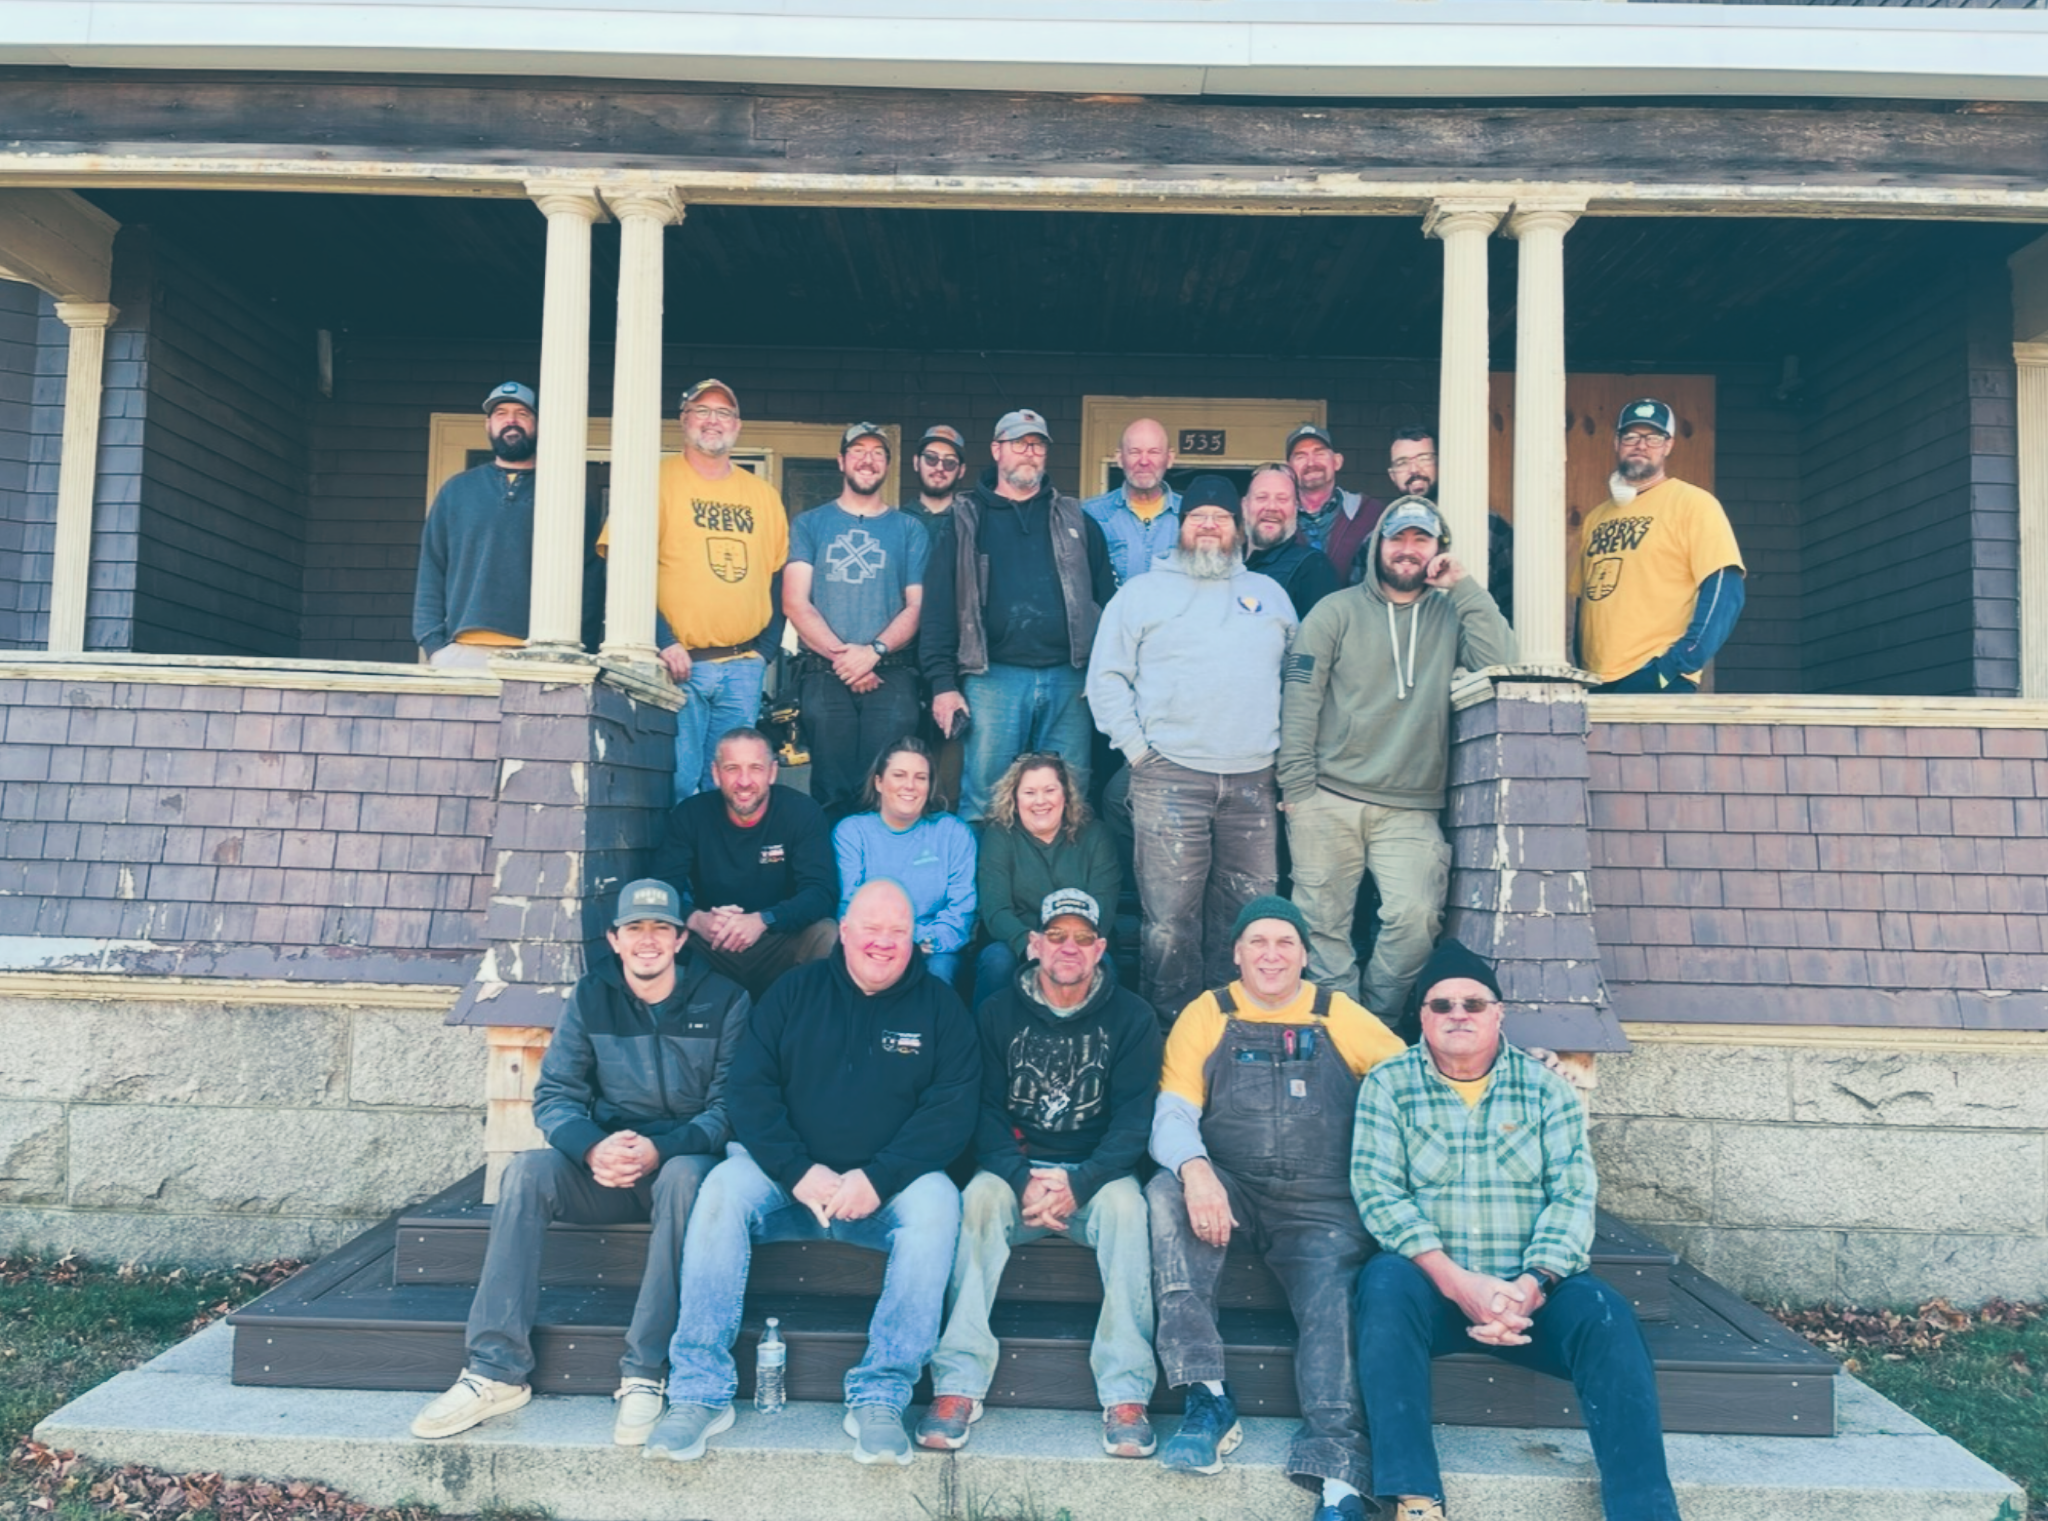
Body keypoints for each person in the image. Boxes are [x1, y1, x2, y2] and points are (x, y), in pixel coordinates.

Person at [647, 880, 977, 1468]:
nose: (883, 943)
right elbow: (749, 1091)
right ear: (844, 931)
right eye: (871, 929)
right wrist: (797, 1170)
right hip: (787, 1180)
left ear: (913, 939)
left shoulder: (942, 1009)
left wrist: (878, 1178)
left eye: (897, 932)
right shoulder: (792, 993)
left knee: (939, 1204)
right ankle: (699, 1390)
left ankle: (881, 1393)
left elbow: (951, 1113)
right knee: (721, 1191)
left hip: (886, 1187)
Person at [409, 879, 749, 1446]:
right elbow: (556, 1095)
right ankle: (495, 1370)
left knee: (687, 1177)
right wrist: (593, 1148)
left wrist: (661, 1149)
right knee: (526, 1172)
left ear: (680, 939)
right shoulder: (592, 996)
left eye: (660, 928)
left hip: (678, 1167)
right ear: (614, 939)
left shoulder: (726, 1000)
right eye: (635, 929)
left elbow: (730, 1109)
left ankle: (646, 1370)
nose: (647, 940)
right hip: (605, 1169)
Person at [1352, 939, 1680, 1521]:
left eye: (1473, 1004)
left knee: (1607, 1316)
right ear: (1423, 1017)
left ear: (1498, 1013)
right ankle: (1416, 1500)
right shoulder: (1388, 1085)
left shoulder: (1546, 1088)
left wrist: (1531, 1286)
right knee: (1383, 1284)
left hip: (1532, 1297)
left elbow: (1573, 1195)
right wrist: (1460, 1285)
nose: (1458, 1014)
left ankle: (1644, 1512)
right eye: (1442, 1004)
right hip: (1436, 1292)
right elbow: (1379, 1193)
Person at [1147, 897, 1405, 1521]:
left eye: (1285, 942)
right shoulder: (1208, 1013)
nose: (1271, 954)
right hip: (1230, 1188)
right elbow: (1172, 1113)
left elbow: (1415, 1079)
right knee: (1164, 1194)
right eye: (1257, 942)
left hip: (1320, 1206)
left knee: (1333, 1300)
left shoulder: (1338, 1015)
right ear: (1236, 953)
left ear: (1305, 955)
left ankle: (1338, 1469)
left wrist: (1511, 1060)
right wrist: (1196, 1171)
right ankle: (1206, 1395)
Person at [918, 888, 1165, 1457]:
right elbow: (981, 1111)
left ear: (1100, 948)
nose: (1068, 947)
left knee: (1131, 1210)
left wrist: (1080, 1183)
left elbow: (1134, 1122)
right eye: (1056, 936)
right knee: (977, 1201)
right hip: (1017, 1176)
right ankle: (957, 1383)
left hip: (1097, 1177)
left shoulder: (1132, 1017)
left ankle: (1126, 1392)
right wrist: (1019, 1177)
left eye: (1082, 938)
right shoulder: (995, 1013)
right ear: (1034, 944)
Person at [1279, 496, 1517, 1018]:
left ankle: (1380, 1025)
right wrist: (1297, 790)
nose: (1407, 549)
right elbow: (1299, 698)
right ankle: (1341, 1028)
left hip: (1411, 804)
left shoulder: (1451, 612)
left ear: (1437, 549)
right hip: (1328, 796)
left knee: (1415, 919)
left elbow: (1502, 663)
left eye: (1420, 540)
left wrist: (1464, 587)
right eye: (1398, 538)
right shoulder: (1335, 611)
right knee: (1321, 925)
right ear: (1377, 547)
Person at [1087, 475, 1296, 1021]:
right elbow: (1105, 677)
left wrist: (1286, 760)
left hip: (1253, 779)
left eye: (1220, 518)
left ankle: (1238, 1027)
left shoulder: (1270, 596)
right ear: (1180, 528)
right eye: (1197, 516)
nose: (1208, 525)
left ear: (1238, 528)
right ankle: (1172, 1030)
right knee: (1169, 920)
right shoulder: (1141, 594)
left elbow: (1297, 682)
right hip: (1170, 776)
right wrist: (1138, 752)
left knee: (1248, 917)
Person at [922, 408, 1118, 824]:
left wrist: (1102, 674)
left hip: (1069, 679)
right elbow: (938, 608)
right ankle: (988, 869)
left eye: (1037, 444)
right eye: (1019, 443)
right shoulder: (965, 519)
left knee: (1070, 796)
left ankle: (1062, 870)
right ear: (997, 450)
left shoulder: (1076, 520)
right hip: (993, 678)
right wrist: (943, 684)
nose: (1029, 452)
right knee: (985, 797)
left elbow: (1108, 605)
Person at [598, 378, 789, 803]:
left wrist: (765, 651)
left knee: (732, 788)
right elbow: (622, 569)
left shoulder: (763, 495)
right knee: (680, 782)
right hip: (680, 665)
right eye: (702, 411)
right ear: (683, 420)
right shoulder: (651, 482)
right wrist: (664, 640)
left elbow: (779, 578)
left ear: (737, 424)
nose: (712, 420)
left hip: (743, 666)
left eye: (723, 413)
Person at [784, 423, 930, 818]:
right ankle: (833, 860)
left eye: (878, 453)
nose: (868, 460)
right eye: (858, 451)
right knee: (831, 791)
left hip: (892, 672)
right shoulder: (810, 524)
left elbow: (916, 606)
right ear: (841, 461)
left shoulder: (909, 529)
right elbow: (795, 602)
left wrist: (873, 653)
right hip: (824, 671)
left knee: (887, 788)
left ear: (888, 465)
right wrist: (847, 660)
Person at [1571, 397, 1746, 694]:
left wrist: (1677, 664)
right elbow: (1583, 602)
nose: (1641, 445)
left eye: (1653, 438)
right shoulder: (1596, 517)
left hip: (1657, 676)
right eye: (1631, 436)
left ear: (1668, 445)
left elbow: (1725, 588)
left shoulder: (1694, 504)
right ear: (1616, 443)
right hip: (1596, 681)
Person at [650, 726, 839, 999]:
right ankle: (672, 1021)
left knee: (825, 934)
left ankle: (810, 1023)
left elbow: (821, 893)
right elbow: (659, 889)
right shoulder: (691, 815)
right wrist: (696, 919)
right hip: (714, 941)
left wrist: (763, 920)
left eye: (755, 768)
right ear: (716, 773)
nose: (744, 781)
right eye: (732, 769)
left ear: (772, 772)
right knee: (656, 933)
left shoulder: (801, 812)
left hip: (778, 940)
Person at [414, 381, 558, 669]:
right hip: (462, 652)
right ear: (488, 424)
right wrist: (433, 643)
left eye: (522, 414)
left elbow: (590, 576)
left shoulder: (562, 491)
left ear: (539, 424)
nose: (511, 421)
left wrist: (578, 645)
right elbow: (432, 567)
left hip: (541, 653)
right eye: (501, 413)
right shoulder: (457, 491)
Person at [971, 750, 1122, 1010]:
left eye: (1049, 790)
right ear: (1015, 797)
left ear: (1066, 794)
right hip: (1017, 941)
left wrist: (1065, 945)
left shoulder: (1096, 835)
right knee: (997, 960)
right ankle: (985, 1033)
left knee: (1103, 963)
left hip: (1079, 940)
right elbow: (996, 910)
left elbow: (1102, 909)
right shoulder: (1000, 835)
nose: (1040, 801)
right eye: (1029, 792)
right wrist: (1029, 944)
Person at [832, 736, 976, 989]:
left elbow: (961, 910)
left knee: (938, 975)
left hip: (934, 950)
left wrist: (922, 941)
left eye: (921, 778)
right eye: (899, 775)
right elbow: (848, 906)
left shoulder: (953, 833)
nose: (910, 785)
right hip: (872, 944)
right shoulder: (852, 833)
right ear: (878, 782)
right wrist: (898, 940)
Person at [1359, 427, 1516, 625]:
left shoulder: (1491, 529)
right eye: (1402, 462)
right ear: (1392, 476)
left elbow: (1512, 610)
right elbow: (1362, 613)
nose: (1414, 469)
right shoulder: (1376, 541)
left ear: (1442, 464)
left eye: (1424, 458)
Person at [901, 424, 969, 810]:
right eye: (931, 458)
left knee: (950, 775)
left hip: (957, 662)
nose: (939, 467)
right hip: (902, 661)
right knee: (905, 765)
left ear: (961, 470)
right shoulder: (897, 521)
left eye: (949, 461)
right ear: (916, 463)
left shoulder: (971, 522)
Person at [1081, 418, 1182, 586]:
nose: (1144, 461)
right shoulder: (1090, 514)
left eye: (1154, 452)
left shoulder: (1191, 515)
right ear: (1120, 458)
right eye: (1135, 452)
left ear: (1169, 458)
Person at [1242, 462, 1342, 620]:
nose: (1271, 507)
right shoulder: (1226, 563)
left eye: (1282, 499)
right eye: (1262, 497)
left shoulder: (1312, 568)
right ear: (1244, 506)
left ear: (1295, 508)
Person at [1284, 424, 1372, 568]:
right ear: (1288, 469)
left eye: (1319, 453)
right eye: (1300, 456)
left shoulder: (1369, 512)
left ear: (1337, 462)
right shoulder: (1277, 517)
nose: (1311, 463)